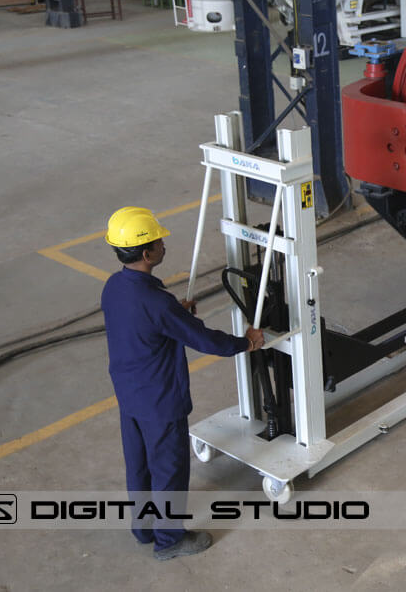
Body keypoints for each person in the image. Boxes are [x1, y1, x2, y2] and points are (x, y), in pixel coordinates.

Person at [101, 206, 264, 561]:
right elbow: (207, 341)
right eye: (159, 241)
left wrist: (174, 312)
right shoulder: (158, 303)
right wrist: (246, 342)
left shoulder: (115, 287)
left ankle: (144, 528)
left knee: (140, 465)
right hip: (160, 401)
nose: (163, 245)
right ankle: (169, 540)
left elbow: (144, 323)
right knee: (168, 471)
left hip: (130, 397)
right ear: (147, 254)